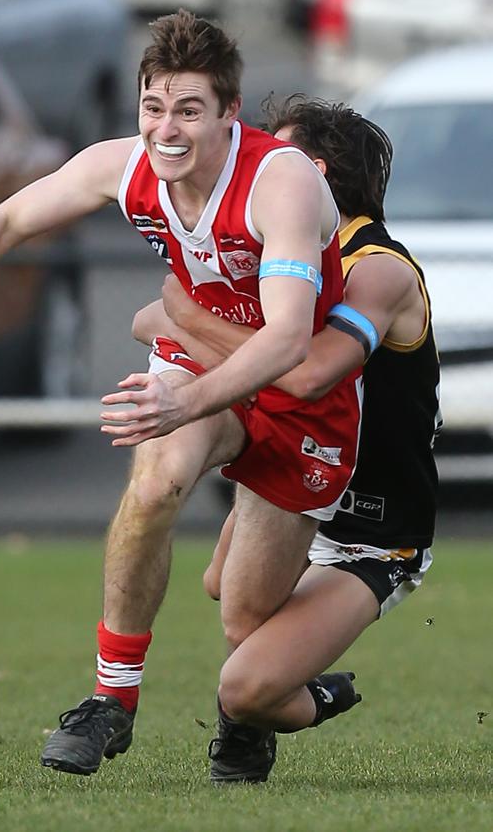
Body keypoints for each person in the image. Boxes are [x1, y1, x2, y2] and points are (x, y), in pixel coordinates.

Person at [0, 14, 362, 779]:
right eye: (154, 107)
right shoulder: (124, 166)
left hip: (301, 402)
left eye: (189, 109)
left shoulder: (279, 179)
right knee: (153, 483)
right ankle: (110, 703)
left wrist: (187, 403)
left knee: (248, 635)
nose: (167, 128)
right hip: (195, 364)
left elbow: (288, 343)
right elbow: (7, 216)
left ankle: (252, 712)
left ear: (229, 110)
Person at [133, 94, 441, 783]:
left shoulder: (377, 270)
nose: (249, 168)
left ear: (312, 170)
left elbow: (306, 374)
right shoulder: (289, 262)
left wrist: (187, 313)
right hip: (296, 480)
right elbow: (141, 320)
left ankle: (296, 700)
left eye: (270, 154)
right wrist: (190, 318)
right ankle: (278, 682)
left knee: (242, 684)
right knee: (220, 587)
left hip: (369, 531)